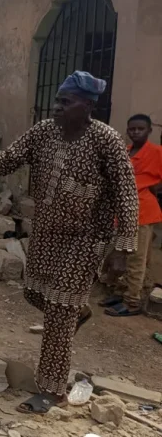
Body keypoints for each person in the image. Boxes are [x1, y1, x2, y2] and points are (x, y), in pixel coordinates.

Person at [0, 71, 138, 415]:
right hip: (47, 234)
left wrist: (123, 249)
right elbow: (8, 160)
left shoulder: (106, 140)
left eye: (66, 102)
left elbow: (126, 195)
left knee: (57, 314)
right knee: (35, 293)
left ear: (88, 105)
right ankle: (76, 310)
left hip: (86, 239)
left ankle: (52, 391)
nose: (58, 107)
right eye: (58, 101)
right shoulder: (44, 132)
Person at [100, 114, 162, 316]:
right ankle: (121, 292)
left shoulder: (156, 152)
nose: (135, 132)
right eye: (132, 129)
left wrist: (153, 189)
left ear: (149, 130)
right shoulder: (125, 152)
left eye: (140, 129)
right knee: (124, 256)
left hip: (142, 213)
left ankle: (132, 302)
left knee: (136, 259)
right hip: (123, 213)